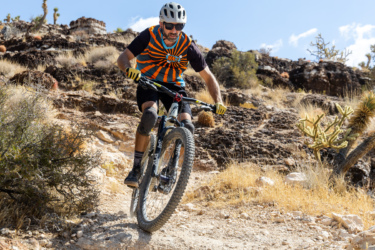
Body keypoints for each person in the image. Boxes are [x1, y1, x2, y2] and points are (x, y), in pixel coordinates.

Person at [117, 2, 227, 188]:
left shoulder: (187, 45)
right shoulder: (149, 35)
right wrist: (129, 70)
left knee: (188, 127)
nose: (174, 30)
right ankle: (136, 169)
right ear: (161, 23)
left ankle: (170, 169)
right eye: (170, 25)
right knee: (150, 115)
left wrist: (219, 101)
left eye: (180, 26)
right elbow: (122, 58)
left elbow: (209, 77)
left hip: (174, 86)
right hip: (148, 80)